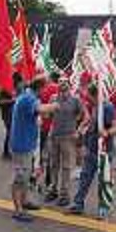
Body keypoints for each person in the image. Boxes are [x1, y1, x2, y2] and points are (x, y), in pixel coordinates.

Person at [9, 75, 58, 222]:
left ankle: (24, 201)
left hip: (27, 142)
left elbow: (43, 112)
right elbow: (41, 109)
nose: (46, 91)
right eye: (45, 88)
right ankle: (18, 209)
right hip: (21, 143)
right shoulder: (28, 98)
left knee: (26, 176)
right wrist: (55, 105)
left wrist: (50, 107)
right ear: (40, 87)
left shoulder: (30, 96)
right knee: (20, 178)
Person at [68, 82, 116, 215]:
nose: (87, 99)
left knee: (103, 180)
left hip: (104, 151)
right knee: (85, 177)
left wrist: (107, 132)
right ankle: (78, 203)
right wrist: (82, 132)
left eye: (89, 96)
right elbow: (91, 123)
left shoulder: (107, 107)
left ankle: (103, 208)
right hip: (91, 149)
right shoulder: (95, 106)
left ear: (95, 95)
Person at [45, 75, 84, 206]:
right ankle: (53, 189)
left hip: (67, 137)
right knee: (53, 164)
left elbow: (84, 115)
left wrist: (77, 129)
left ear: (69, 84)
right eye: (59, 82)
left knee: (66, 167)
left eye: (64, 82)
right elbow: (48, 114)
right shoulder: (53, 98)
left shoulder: (75, 100)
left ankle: (64, 194)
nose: (61, 84)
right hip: (54, 135)